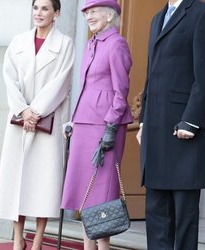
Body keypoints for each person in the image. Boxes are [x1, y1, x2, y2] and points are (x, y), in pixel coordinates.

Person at [136, 0, 205, 249]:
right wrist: (143, 121)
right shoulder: (156, 18)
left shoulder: (204, 14)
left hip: (184, 130)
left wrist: (191, 121)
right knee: (156, 214)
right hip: (155, 129)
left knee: (184, 217)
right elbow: (150, 75)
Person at [0, 0, 75, 249]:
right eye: (36, 8)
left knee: (44, 183)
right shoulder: (18, 42)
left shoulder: (65, 44)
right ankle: (19, 238)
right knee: (14, 180)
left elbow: (62, 82)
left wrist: (36, 111)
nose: (39, 13)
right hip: (19, 120)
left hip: (47, 121)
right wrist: (23, 110)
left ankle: (38, 239)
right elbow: (9, 78)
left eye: (45, 8)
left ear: (56, 13)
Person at [60, 0, 133, 249]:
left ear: (110, 16)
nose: (88, 16)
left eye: (93, 12)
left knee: (102, 197)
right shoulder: (92, 43)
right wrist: (73, 119)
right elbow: (87, 89)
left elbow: (120, 92)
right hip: (84, 126)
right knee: (86, 194)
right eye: (86, 13)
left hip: (104, 128)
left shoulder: (116, 44)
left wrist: (111, 126)